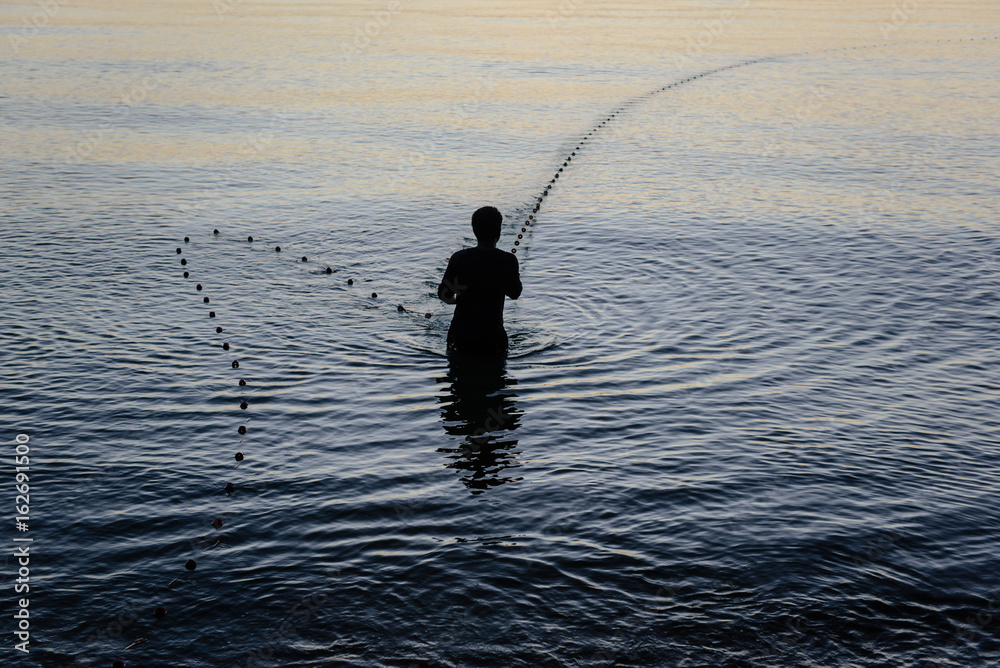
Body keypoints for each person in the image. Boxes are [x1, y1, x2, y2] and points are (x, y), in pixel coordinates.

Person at [438, 206, 522, 358]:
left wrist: (460, 299)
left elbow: (444, 295)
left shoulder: (460, 259)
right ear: (499, 232)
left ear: (474, 231)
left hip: (461, 336)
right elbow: (515, 293)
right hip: (493, 339)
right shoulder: (508, 261)